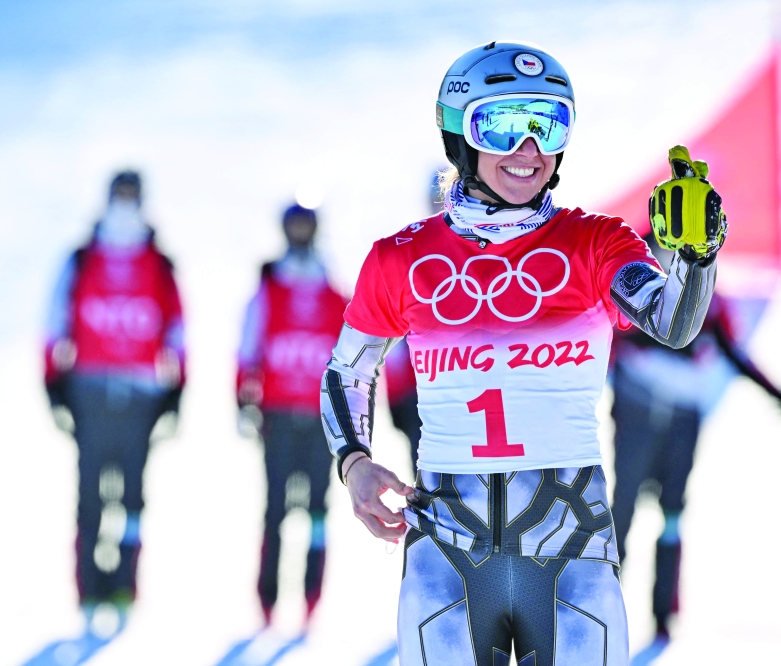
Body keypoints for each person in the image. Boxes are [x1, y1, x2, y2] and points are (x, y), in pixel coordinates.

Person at [319, 42, 726, 665]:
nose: (529, 149)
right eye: (503, 125)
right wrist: (354, 464)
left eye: (548, 123)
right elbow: (349, 368)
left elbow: (672, 323)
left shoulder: (596, 241)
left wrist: (695, 256)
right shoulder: (400, 257)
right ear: (459, 135)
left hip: (573, 550)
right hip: (446, 552)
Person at [610, 233, 781, 642]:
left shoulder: (707, 297)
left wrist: (779, 392)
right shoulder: (626, 279)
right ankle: (606, 610)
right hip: (637, 411)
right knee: (622, 510)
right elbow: (596, 345)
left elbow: (731, 350)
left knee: (672, 511)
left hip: (683, 419)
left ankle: (662, 617)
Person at [43, 170, 185, 633]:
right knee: (88, 497)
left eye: (132, 195)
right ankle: (88, 591)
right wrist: (53, 382)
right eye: (118, 195)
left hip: (141, 394)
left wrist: (177, 389)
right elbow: (54, 318)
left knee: (130, 498)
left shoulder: (159, 263)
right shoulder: (83, 257)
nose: (125, 203)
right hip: (89, 390)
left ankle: (124, 586)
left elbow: (177, 329)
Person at [236, 204, 348, 626]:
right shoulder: (270, 285)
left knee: (319, 511)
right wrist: (243, 401)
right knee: (275, 509)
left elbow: (354, 358)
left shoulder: (334, 290)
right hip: (278, 414)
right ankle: (267, 599)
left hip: (320, 421)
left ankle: (310, 596)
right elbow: (248, 345)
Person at [381, 172, 444, 474]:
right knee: (426, 475)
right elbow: (394, 333)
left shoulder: (494, 248)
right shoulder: (413, 254)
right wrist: (397, 395)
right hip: (421, 393)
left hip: (477, 387)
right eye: (438, 198)